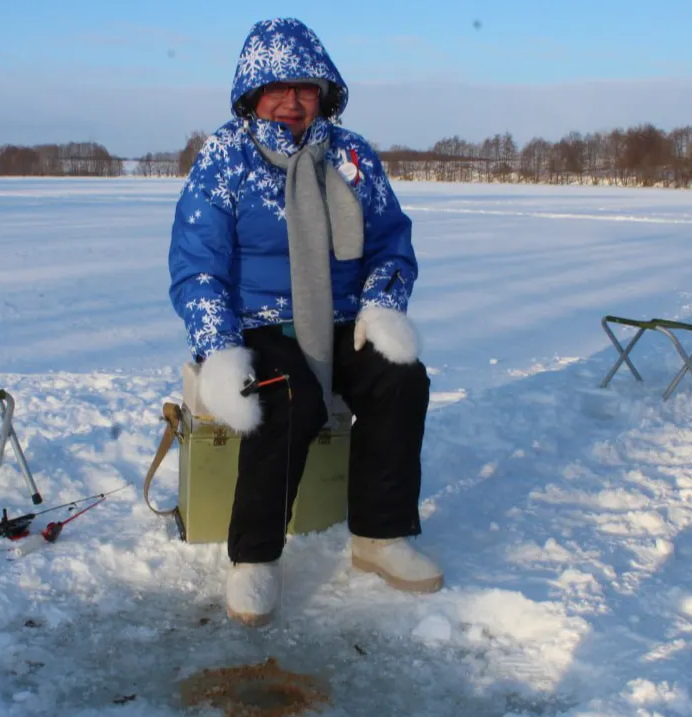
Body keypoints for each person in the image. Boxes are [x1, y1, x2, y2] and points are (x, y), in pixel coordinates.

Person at [168, 17, 441, 627]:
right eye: (277, 88)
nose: (292, 101)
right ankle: (256, 558)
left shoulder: (352, 155)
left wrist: (380, 304)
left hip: (346, 317)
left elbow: (392, 244)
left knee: (401, 378)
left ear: (325, 93)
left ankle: (381, 535)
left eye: (306, 88)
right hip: (260, 322)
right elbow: (196, 267)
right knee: (286, 396)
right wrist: (219, 348)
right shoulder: (226, 155)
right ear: (252, 94)